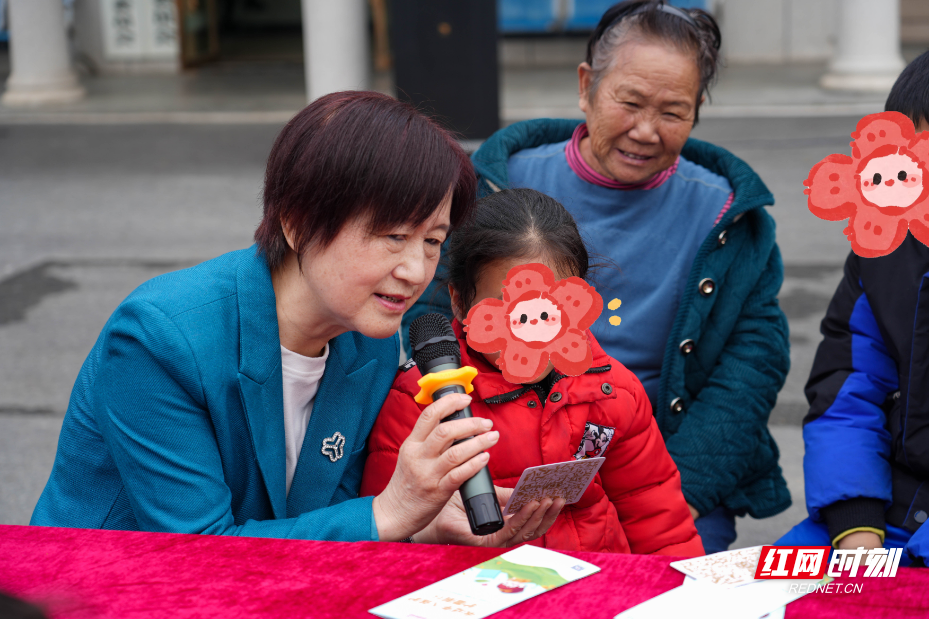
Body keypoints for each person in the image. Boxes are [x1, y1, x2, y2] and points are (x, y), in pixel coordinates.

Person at [30, 91, 561, 547]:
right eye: (394, 236)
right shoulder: (160, 338)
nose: (415, 270)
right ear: (297, 220)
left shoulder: (367, 334)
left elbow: (320, 516)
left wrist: (421, 525)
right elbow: (198, 550)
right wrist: (387, 512)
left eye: (433, 241)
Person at [403, 0, 790, 553]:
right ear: (586, 86)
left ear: (698, 111)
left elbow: (753, 366)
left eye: (674, 111)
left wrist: (676, 491)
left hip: (670, 468)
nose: (646, 130)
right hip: (503, 468)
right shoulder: (495, 184)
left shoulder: (730, 217)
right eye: (628, 102)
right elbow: (429, 315)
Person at [363, 188, 704, 555]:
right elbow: (390, 530)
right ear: (461, 302)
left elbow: (654, 512)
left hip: (598, 590)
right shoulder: (422, 400)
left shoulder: (614, 390)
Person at [776, 50, 929, 567]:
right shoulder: (883, 252)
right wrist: (856, 529)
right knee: (771, 592)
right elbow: (848, 395)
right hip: (885, 508)